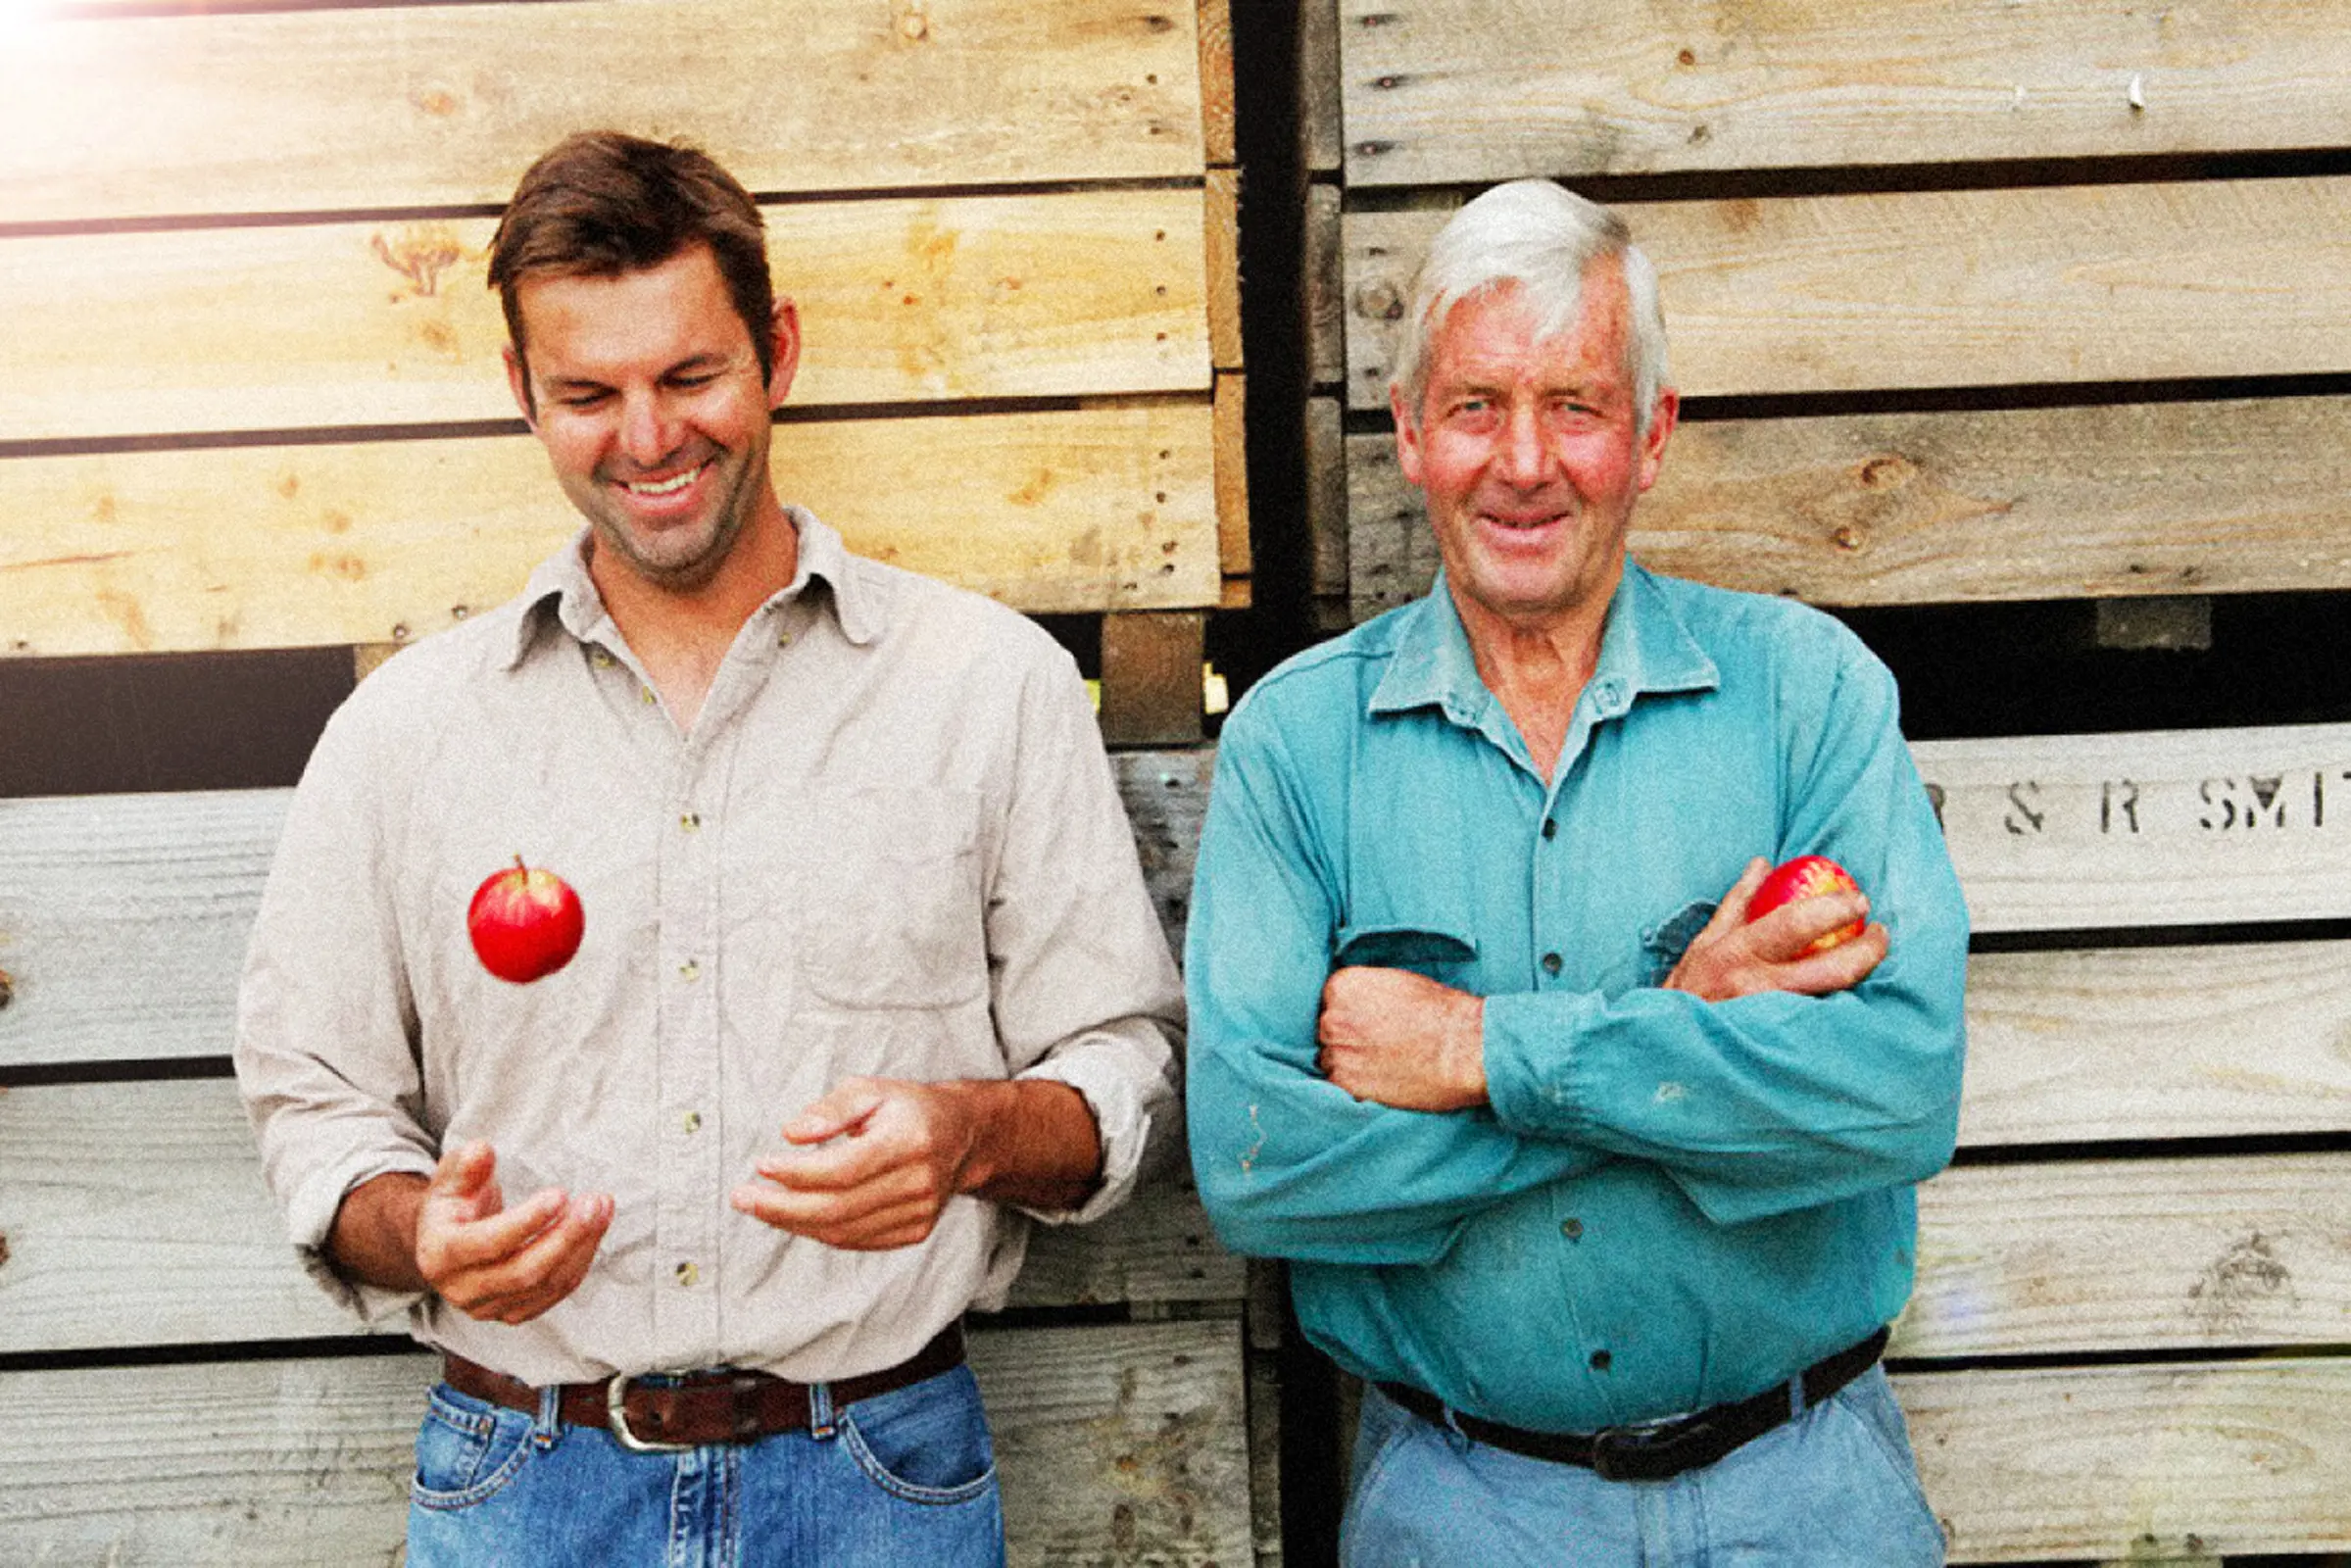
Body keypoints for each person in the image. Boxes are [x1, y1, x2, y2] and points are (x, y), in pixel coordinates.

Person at [234, 131, 1183, 1568]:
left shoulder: (986, 687)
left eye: (690, 376)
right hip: (523, 1481)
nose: (649, 438)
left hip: (876, 1476)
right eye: (587, 394)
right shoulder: (404, 736)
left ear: (777, 351)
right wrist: (416, 1228)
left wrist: (971, 1134)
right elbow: (317, 1106)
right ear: (520, 396)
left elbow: (1118, 1061)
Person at [1186, 178, 1967, 1565]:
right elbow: (1262, 1172)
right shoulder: (1297, 744)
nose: (1525, 460)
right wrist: (1690, 1027)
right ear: (1412, 434)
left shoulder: (1803, 695)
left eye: (1577, 406)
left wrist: (1479, 1051)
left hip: (1806, 1493)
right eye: (1478, 405)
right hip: (1463, 1505)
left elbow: (1892, 1095)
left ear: (1652, 433)